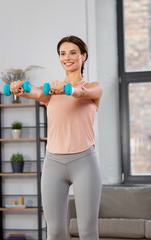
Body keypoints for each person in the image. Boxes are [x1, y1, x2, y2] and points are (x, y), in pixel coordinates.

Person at [10, 35, 102, 240]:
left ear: (83, 56)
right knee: (55, 232)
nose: (67, 57)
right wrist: (21, 87)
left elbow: (81, 91)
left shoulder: (94, 88)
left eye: (72, 53)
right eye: (62, 53)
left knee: (87, 231)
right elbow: (33, 92)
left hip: (84, 162)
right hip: (53, 162)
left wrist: (67, 88)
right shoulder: (50, 91)